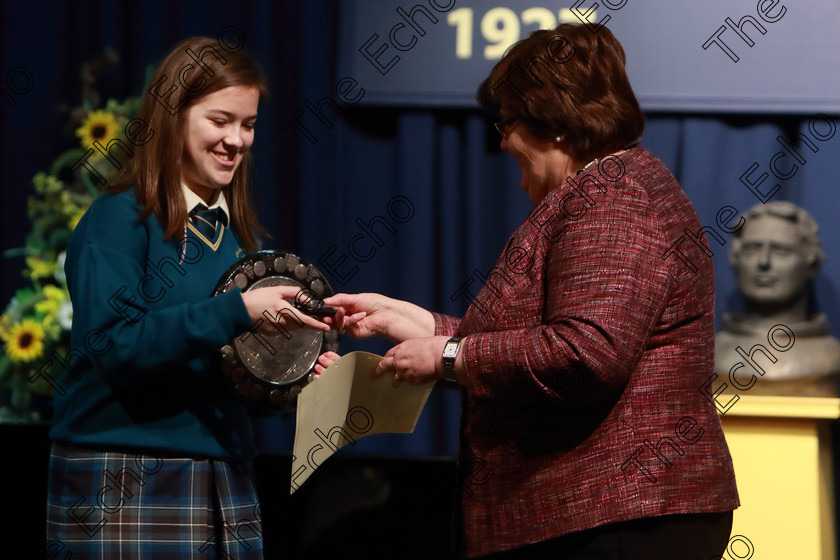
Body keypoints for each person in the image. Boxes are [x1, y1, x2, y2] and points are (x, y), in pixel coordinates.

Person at [320, 23, 739, 559]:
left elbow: (588, 354)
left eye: (507, 122)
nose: (501, 140)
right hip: (603, 517)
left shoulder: (613, 200)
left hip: (617, 518)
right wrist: (419, 325)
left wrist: (448, 356)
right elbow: (545, 337)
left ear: (555, 121)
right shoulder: (603, 190)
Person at [45, 36, 328, 558]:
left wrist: (290, 371)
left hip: (225, 471)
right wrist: (236, 310)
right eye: (219, 121)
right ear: (172, 117)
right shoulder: (120, 220)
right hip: (124, 473)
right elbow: (113, 345)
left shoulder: (240, 241)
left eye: (248, 125)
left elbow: (225, 375)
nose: (236, 140)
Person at [715, 201, 840, 394]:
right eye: (752, 250)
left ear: (812, 264)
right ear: (736, 259)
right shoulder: (705, 355)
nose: (763, 262)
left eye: (781, 251)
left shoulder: (832, 359)